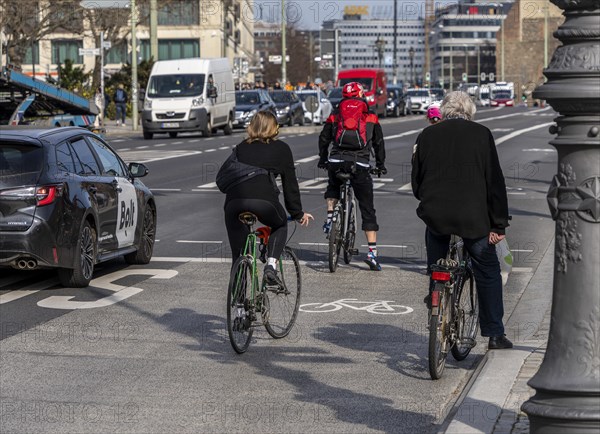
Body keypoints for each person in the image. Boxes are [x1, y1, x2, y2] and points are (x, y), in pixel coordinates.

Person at [411, 91, 513, 350]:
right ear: (470, 111)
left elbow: (416, 182)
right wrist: (498, 224)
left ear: (444, 111)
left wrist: (429, 201)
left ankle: (436, 292)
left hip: (436, 215)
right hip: (473, 218)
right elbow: (495, 183)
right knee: (487, 270)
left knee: (437, 262)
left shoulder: (427, 135)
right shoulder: (482, 135)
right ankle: (494, 334)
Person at [223, 111, 313, 285]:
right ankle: (270, 267)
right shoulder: (282, 149)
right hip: (265, 203)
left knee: (238, 256)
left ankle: (239, 307)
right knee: (280, 224)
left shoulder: (241, 147)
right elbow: (290, 185)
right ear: (274, 129)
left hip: (234, 203)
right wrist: (297, 213)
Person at [317, 82, 386, 271]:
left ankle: (331, 219)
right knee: (367, 208)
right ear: (361, 95)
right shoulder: (370, 116)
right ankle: (372, 254)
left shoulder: (335, 115)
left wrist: (324, 159)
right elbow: (379, 143)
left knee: (333, 186)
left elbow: (323, 139)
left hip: (336, 160)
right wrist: (380, 165)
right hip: (360, 164)